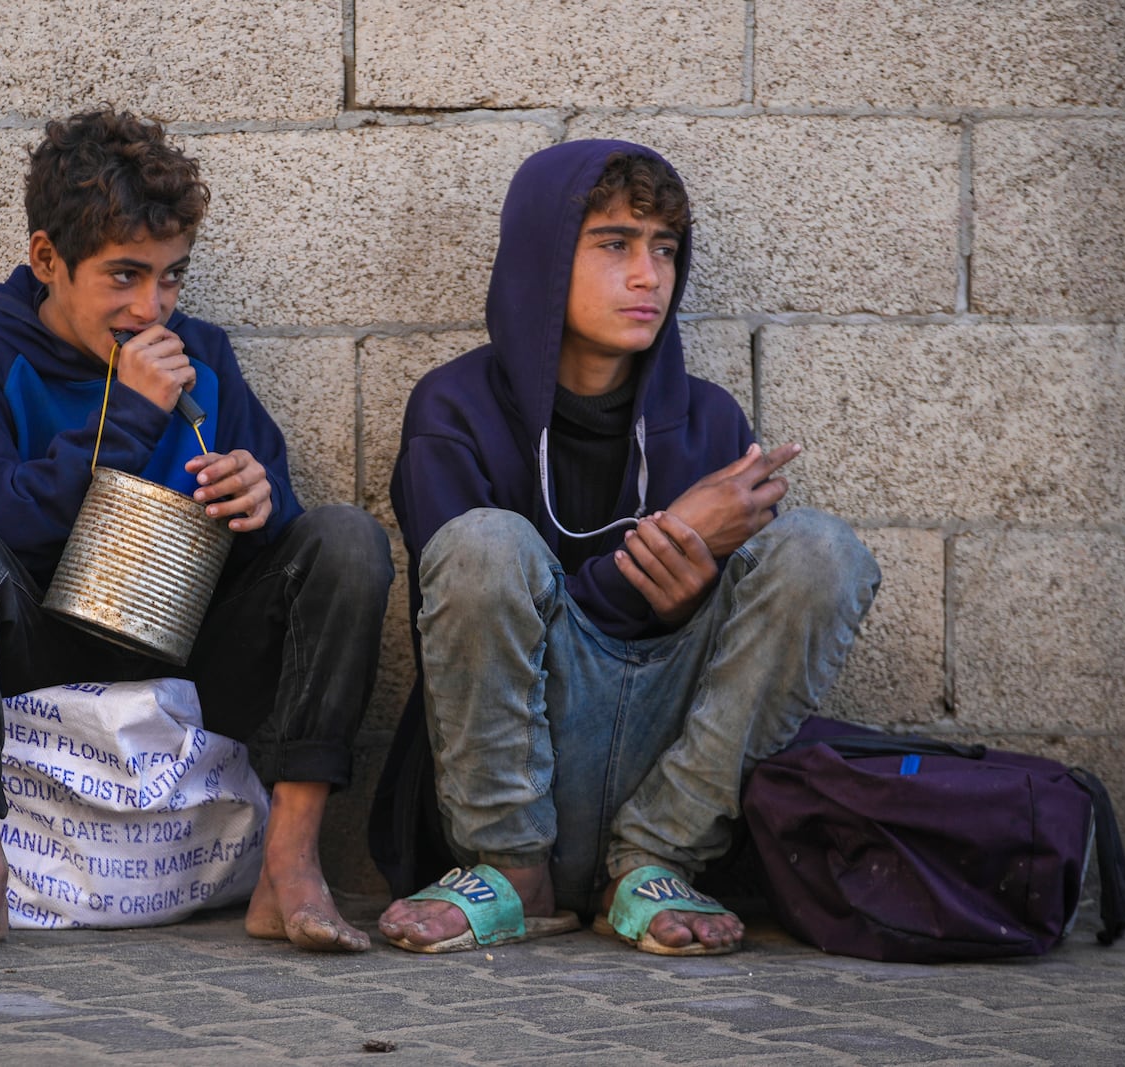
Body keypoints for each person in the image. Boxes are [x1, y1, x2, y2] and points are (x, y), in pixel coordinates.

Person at [0, 109, 391, 965]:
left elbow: (288, 549)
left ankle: (289, 865)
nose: (152, 306)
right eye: (123, 276)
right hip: (46, 654)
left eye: (172, 277)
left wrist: (263, 505)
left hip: (189, 666)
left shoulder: (203, 354)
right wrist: (127, 414)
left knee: (346, 541)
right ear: (48, 261)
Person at [373, 140, 880, 956]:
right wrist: (645, 575)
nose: (648, 276)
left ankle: (655, 863)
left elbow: (737, 638)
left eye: (665, 249)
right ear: (544, 258)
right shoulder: (454, 407)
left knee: (822, 550)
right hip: (510, 775)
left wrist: (696, 594)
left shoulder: (711, 422)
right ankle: (511, 872)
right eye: (614, 244)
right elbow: (461, 614)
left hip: (669, 773)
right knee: (483, 543)